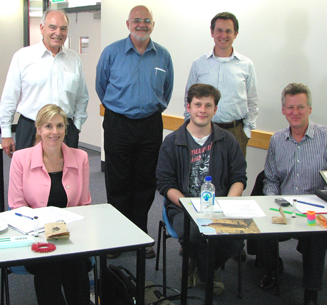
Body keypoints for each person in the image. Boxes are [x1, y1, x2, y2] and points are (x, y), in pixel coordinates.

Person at [96, 5, 174, 258]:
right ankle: (117, 237)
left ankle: (139, 236)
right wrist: (119, 108)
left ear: (153, 24)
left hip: (150, 124)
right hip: (118, 122)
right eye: (137, 20)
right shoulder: (112, 52)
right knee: (117, 181)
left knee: (145, 181)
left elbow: (168, 90)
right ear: (128, 23)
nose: (142, 24)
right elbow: (101, 86)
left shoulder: (163, 55)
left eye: (147, 21)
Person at [257, 83, 327, 305]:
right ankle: (273, 270)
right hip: (283, 206)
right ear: (284, 110)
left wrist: (317, 208)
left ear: (310, 109)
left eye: (301, 107)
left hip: (316, 208)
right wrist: (272, 205)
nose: (295, 113)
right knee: (263, 222)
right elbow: (271, 179)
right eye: (290, 108)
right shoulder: (277, 140)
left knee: (315, 236)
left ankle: (311, 292)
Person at [156, 84, 246, 295]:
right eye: (197, 105)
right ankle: (208, 273)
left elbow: (239, 178)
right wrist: (188, 205)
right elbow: (165, 183)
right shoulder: (172, 142)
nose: (202, 110)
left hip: (219, 205)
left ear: (215, 109)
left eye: (208, 105)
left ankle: (198, 263)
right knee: (193, 234)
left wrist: (227, 205)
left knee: (236, 241)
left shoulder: (228, 140)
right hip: (183, 207)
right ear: (188, 107)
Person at [8, 104, 91, 305]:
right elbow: (16, 206)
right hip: (35, 235)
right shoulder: (21, 158)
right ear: (38, 129)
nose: (55, 132)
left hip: (70, 234)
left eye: (60, 126)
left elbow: (85, 205)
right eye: (48, 126)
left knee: (75, 263)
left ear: (65, 129)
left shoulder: (81, 158)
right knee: (49, 264)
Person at [0, 8, 89, 156]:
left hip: (64, 129)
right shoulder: (23, 57)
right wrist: (6, 133)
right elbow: (9, 97)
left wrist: (76, 127)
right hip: (30, 129)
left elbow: (82, 97)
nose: (58, 33)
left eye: (63, 28)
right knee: (29, 176)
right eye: (52, 27)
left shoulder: (74, 59)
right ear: (42, 28)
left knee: (65, 177)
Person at [184, 12, 258, 157]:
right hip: (203, 129)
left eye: (228, 31)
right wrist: (190, 126)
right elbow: (189, 98)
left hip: (235, 131)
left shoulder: (246, 65)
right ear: (212, 32)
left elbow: (252, 101)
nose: (223, 35)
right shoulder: (199, 64)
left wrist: (246, 131)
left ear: (235, 34)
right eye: (219, 30)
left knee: (233, 176)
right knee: (201, 175)